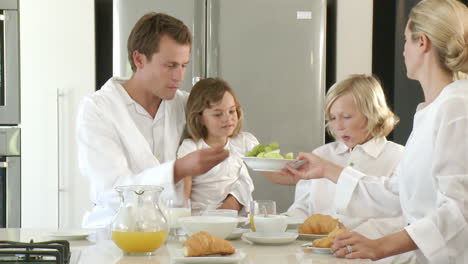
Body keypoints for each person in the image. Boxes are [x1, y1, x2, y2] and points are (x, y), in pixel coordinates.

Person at [283, 0, 468, 263]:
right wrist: (326, 169)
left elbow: (460, 211)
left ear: (422, 42)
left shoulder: (457, 107)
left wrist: (380, 247)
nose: (403, 50)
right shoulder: (433, 109)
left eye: (406, 40)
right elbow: (399, 192)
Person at [76, 13, 228, 229]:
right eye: (170, 65)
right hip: (115, 237)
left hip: (177, 238)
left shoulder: (187, 105)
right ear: (139, 59)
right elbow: (111, 191)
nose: (179, 76)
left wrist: (234, 199)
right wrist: (178, 169)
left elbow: (233, 154)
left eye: (184, 65)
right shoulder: (98, 109)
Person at [286, 74, 414, 264]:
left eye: (346, 117)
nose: (338, 126)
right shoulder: (320, 154)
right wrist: (281, 222)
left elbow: (404, 220)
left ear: (372, 114)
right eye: (332, 118)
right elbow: (302, 208)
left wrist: (353, 234)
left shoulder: (400, 157)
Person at [177, 78, 258, 215]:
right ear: (200, 118)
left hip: (234, 222)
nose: (228, 118)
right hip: (200, 220)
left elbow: (269, 165)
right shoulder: (191, 147)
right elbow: (184, 194)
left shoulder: (243, 141)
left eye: (232, 111)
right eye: (218, 114)